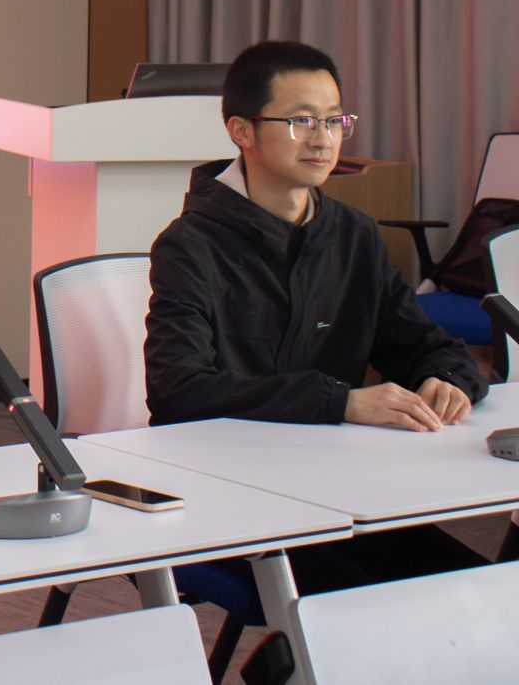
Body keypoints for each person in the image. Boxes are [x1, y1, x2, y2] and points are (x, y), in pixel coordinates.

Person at [143, 39, 489, 668]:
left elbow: (424, 343)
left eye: (334, 120)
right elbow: (178, 389)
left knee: (480, 594)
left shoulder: (351, 234)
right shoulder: (190, 246)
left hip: (339, 490)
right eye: (301, 120)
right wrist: (341, 402)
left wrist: (447, 377)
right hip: (231, 499)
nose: (323, 139)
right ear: (241, 131)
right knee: (394, 618)